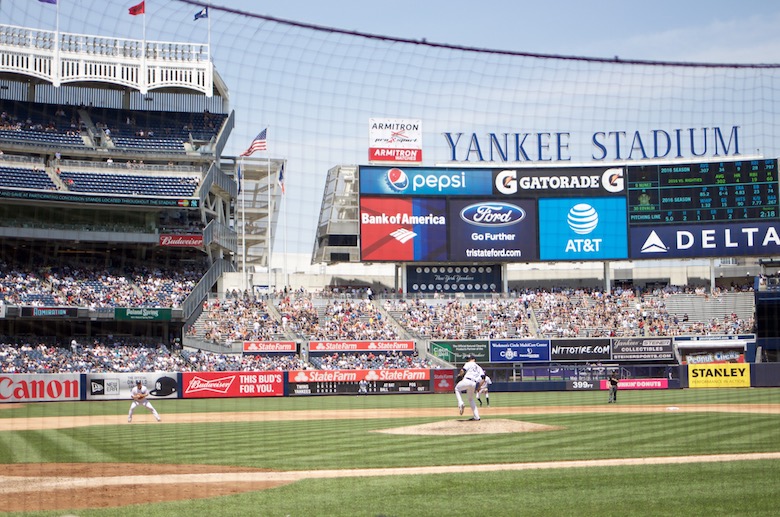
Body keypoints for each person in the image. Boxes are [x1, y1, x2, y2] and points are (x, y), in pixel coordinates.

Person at [454, 354, 483, 421]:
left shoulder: (469, 363)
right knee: (470, 399)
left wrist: (459, 375)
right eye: (468, 359)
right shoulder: (479, 367)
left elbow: (462, 371)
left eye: (469, 359)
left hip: (467, 380)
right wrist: (479, 386)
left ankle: (461, 403)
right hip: (474, 383)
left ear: (473, 359)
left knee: (457, 389)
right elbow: (483, 378)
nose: (468, 360)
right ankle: (477, 416)